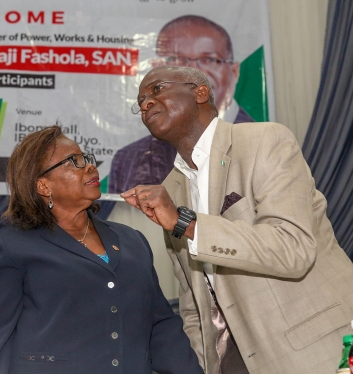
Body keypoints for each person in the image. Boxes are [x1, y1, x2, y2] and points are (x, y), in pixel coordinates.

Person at [121, 65, 353, 374]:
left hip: (313, 353)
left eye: (157, 90)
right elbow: (194, 301)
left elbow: (293, 249)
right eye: (141, 101)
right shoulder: (172, 189)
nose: (146, 103)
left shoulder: (264, 140)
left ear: (200, 92)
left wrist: (187, 224)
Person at [0, 125, 202, 374]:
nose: (90, 166)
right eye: (73, 162)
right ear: (43, 186)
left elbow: (160, 326)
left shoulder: (132, 241)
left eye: (85, 158)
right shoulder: (10, 247)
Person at [109, 15, 253, 193]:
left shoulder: (262, 143)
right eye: (176, 60)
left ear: (234, 71)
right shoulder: (128, 160)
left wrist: (192, 223)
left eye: (209, 59)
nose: (194, 70)